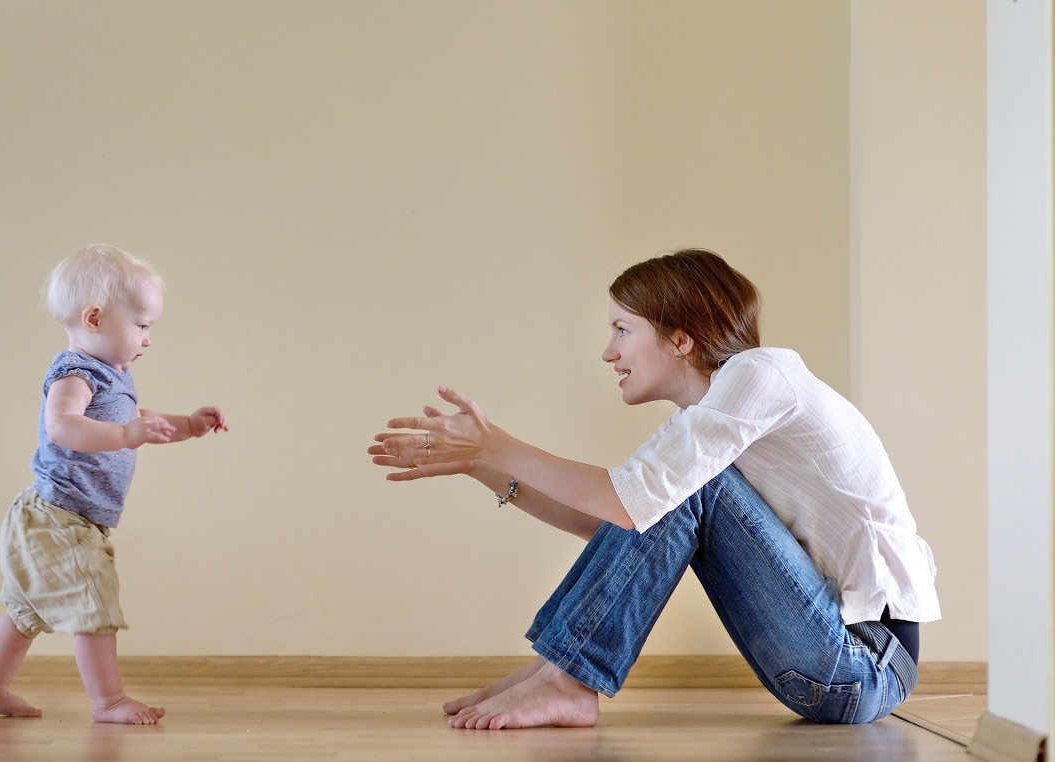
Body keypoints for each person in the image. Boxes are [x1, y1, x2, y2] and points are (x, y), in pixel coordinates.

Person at [370, 248, 939, 730]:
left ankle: (567, 679)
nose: (608, 352)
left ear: (681, 339)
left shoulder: (761, 375)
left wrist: (497, 445)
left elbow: (629, 504)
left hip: (863, 663)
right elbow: (620, 526)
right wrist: (481, 465)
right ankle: (554, 670)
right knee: (654, 501)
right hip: (826, 664)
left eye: (623, 329)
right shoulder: (708, 419)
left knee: (664, 494)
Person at [0, 244, 228, 725]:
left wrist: (189, 424)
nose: (148, 339)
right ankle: (108, 700)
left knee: (26, 612)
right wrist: (127, 435)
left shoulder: (115, 376)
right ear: (94, 317)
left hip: (60, 518)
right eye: (143, 325)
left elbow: (139, 420)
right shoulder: (75, 373)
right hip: (58, 519)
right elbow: (63, 426)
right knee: (96, 604)